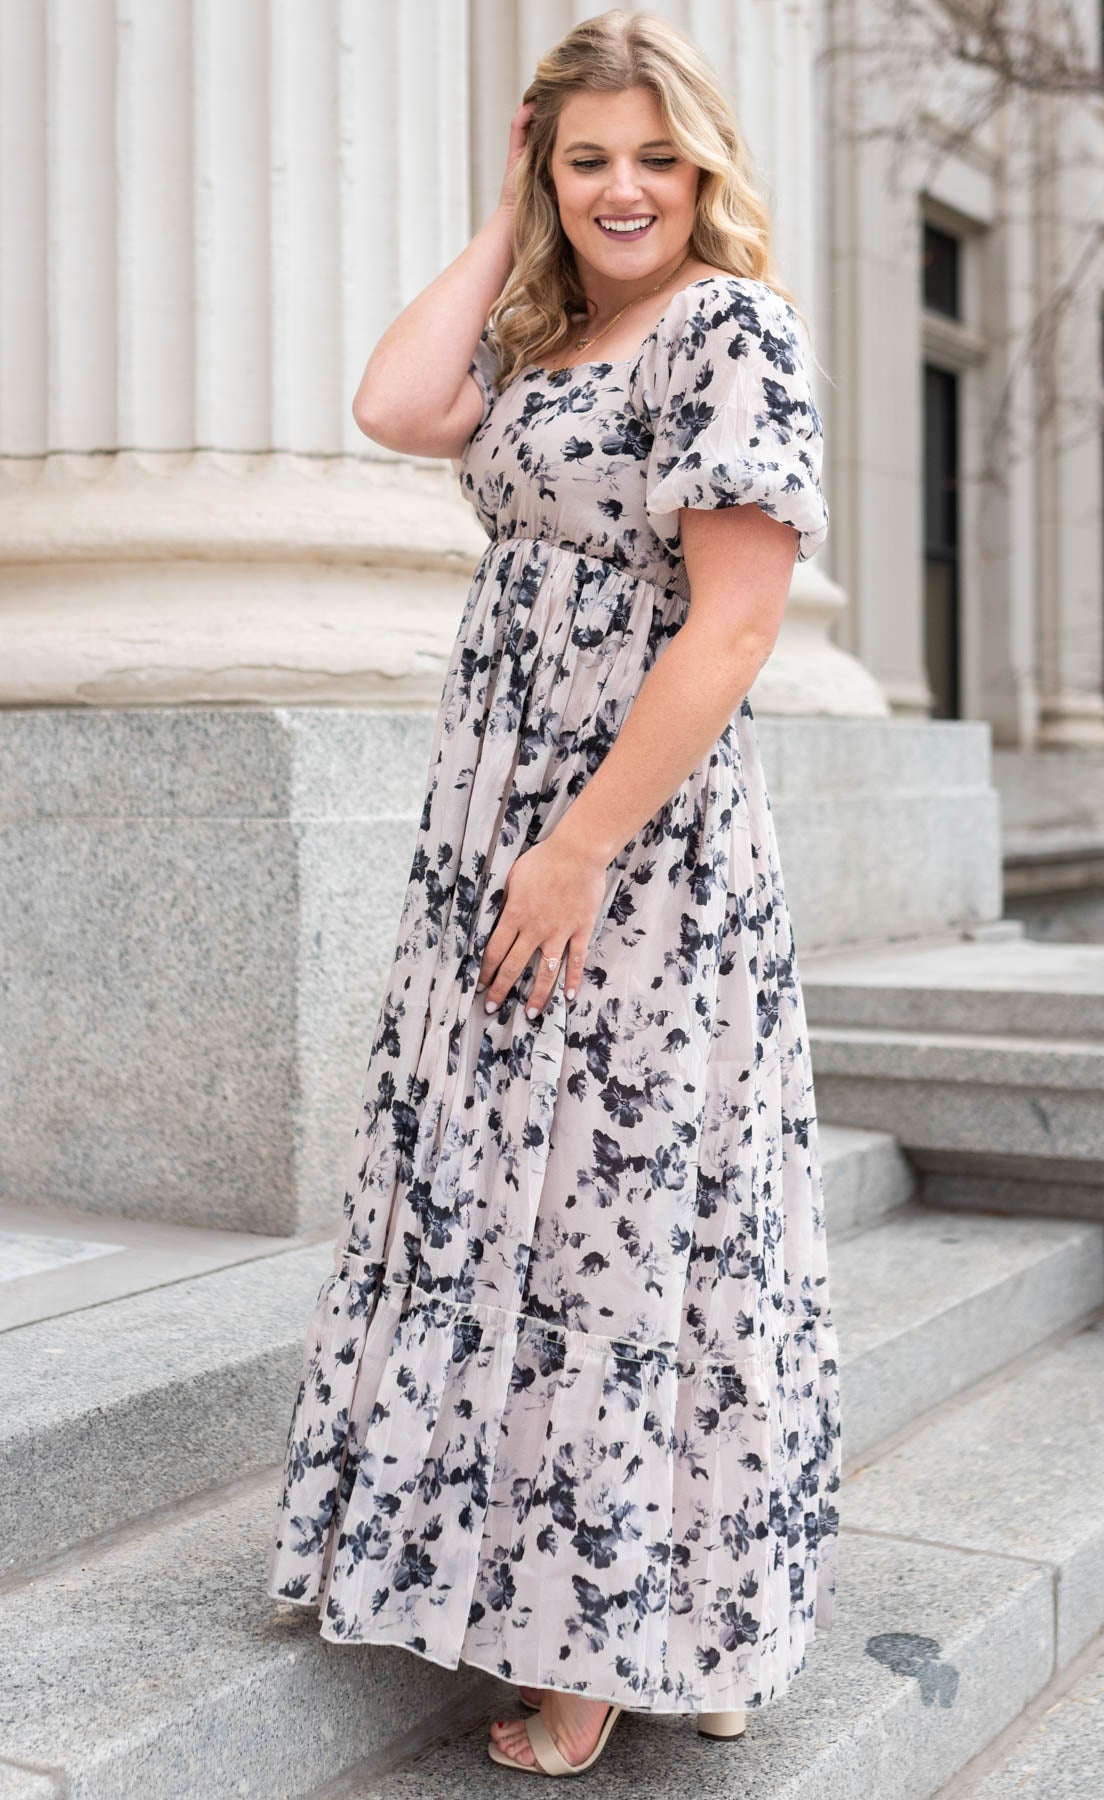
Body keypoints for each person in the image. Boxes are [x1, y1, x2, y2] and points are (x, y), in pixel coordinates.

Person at [266, 7, 841, 1779]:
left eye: (652, 157)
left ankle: (603, 1646)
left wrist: (582, 842)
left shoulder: (734, 326)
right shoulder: (560, 331)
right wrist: (512, 211)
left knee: (615, 1200)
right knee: (490, 1185)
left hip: (626, 842)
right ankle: (596, 1596)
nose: (621, 188)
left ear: (706, 168)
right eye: (586, 155)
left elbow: (734, 622)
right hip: (495, 822)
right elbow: (394, 404)